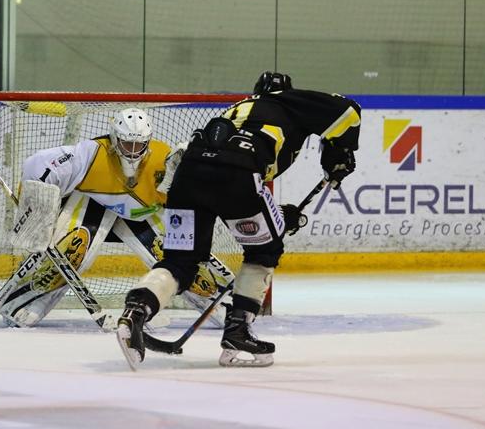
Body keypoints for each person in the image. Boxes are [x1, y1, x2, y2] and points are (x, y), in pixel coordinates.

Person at [117, 71, 360, 368]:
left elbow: (229, 191)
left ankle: (136, 311)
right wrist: (340, 154)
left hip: (189, 173)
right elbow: (348, 110)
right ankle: (238, 330)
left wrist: (278, 217)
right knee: (264, 251)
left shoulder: (240, 109)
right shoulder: (290, 102)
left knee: (180, 262)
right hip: (238, 171)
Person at [0, 108, 235, 329]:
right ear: (114, 138)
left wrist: (185, 180)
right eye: (126, 144)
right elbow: (37, 165)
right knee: (72, 249)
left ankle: (226, 306)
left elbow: (183, 202)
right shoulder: (90, 154)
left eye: (138, 145)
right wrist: (38, 209)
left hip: (142, 214)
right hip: (93, 205)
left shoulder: (166, 158)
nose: (132, 151)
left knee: (174, 256)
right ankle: (19, 304)